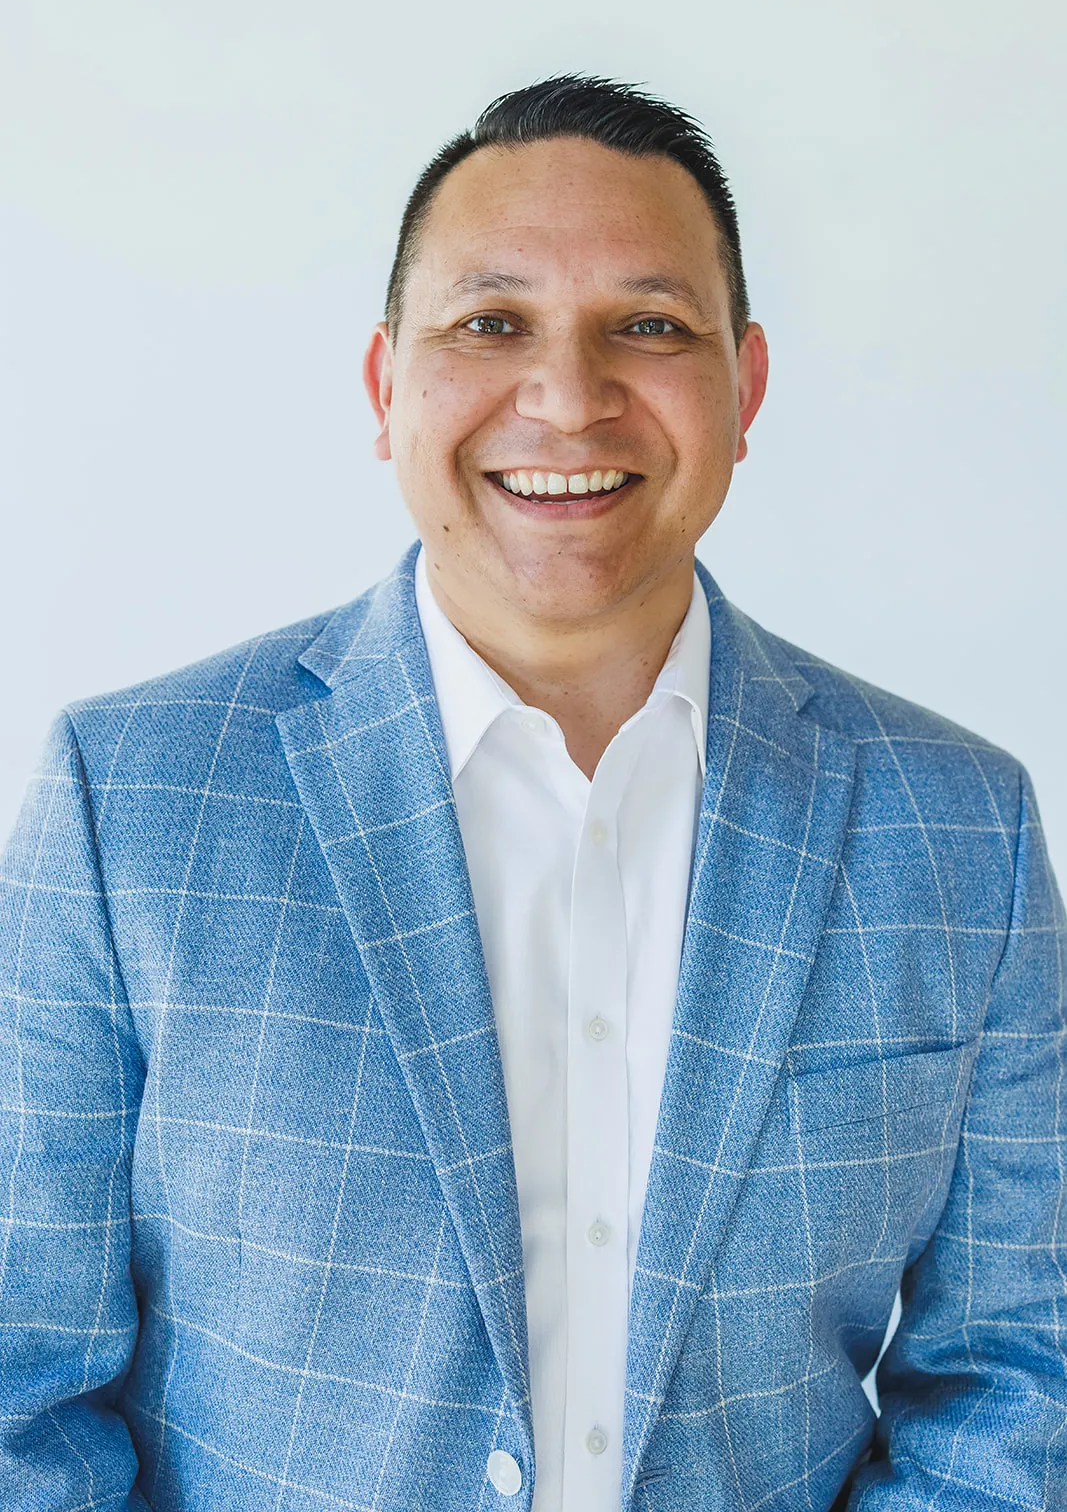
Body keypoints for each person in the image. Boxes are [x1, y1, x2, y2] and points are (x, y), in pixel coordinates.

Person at [0, 74, 1064, 1512]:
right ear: (389, 388)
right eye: (489, 324)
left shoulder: (957, 830)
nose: (566, 397)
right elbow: (22, 1383)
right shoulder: (131, 801)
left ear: (742, 389)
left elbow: (1016, 1373)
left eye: (649, 325)